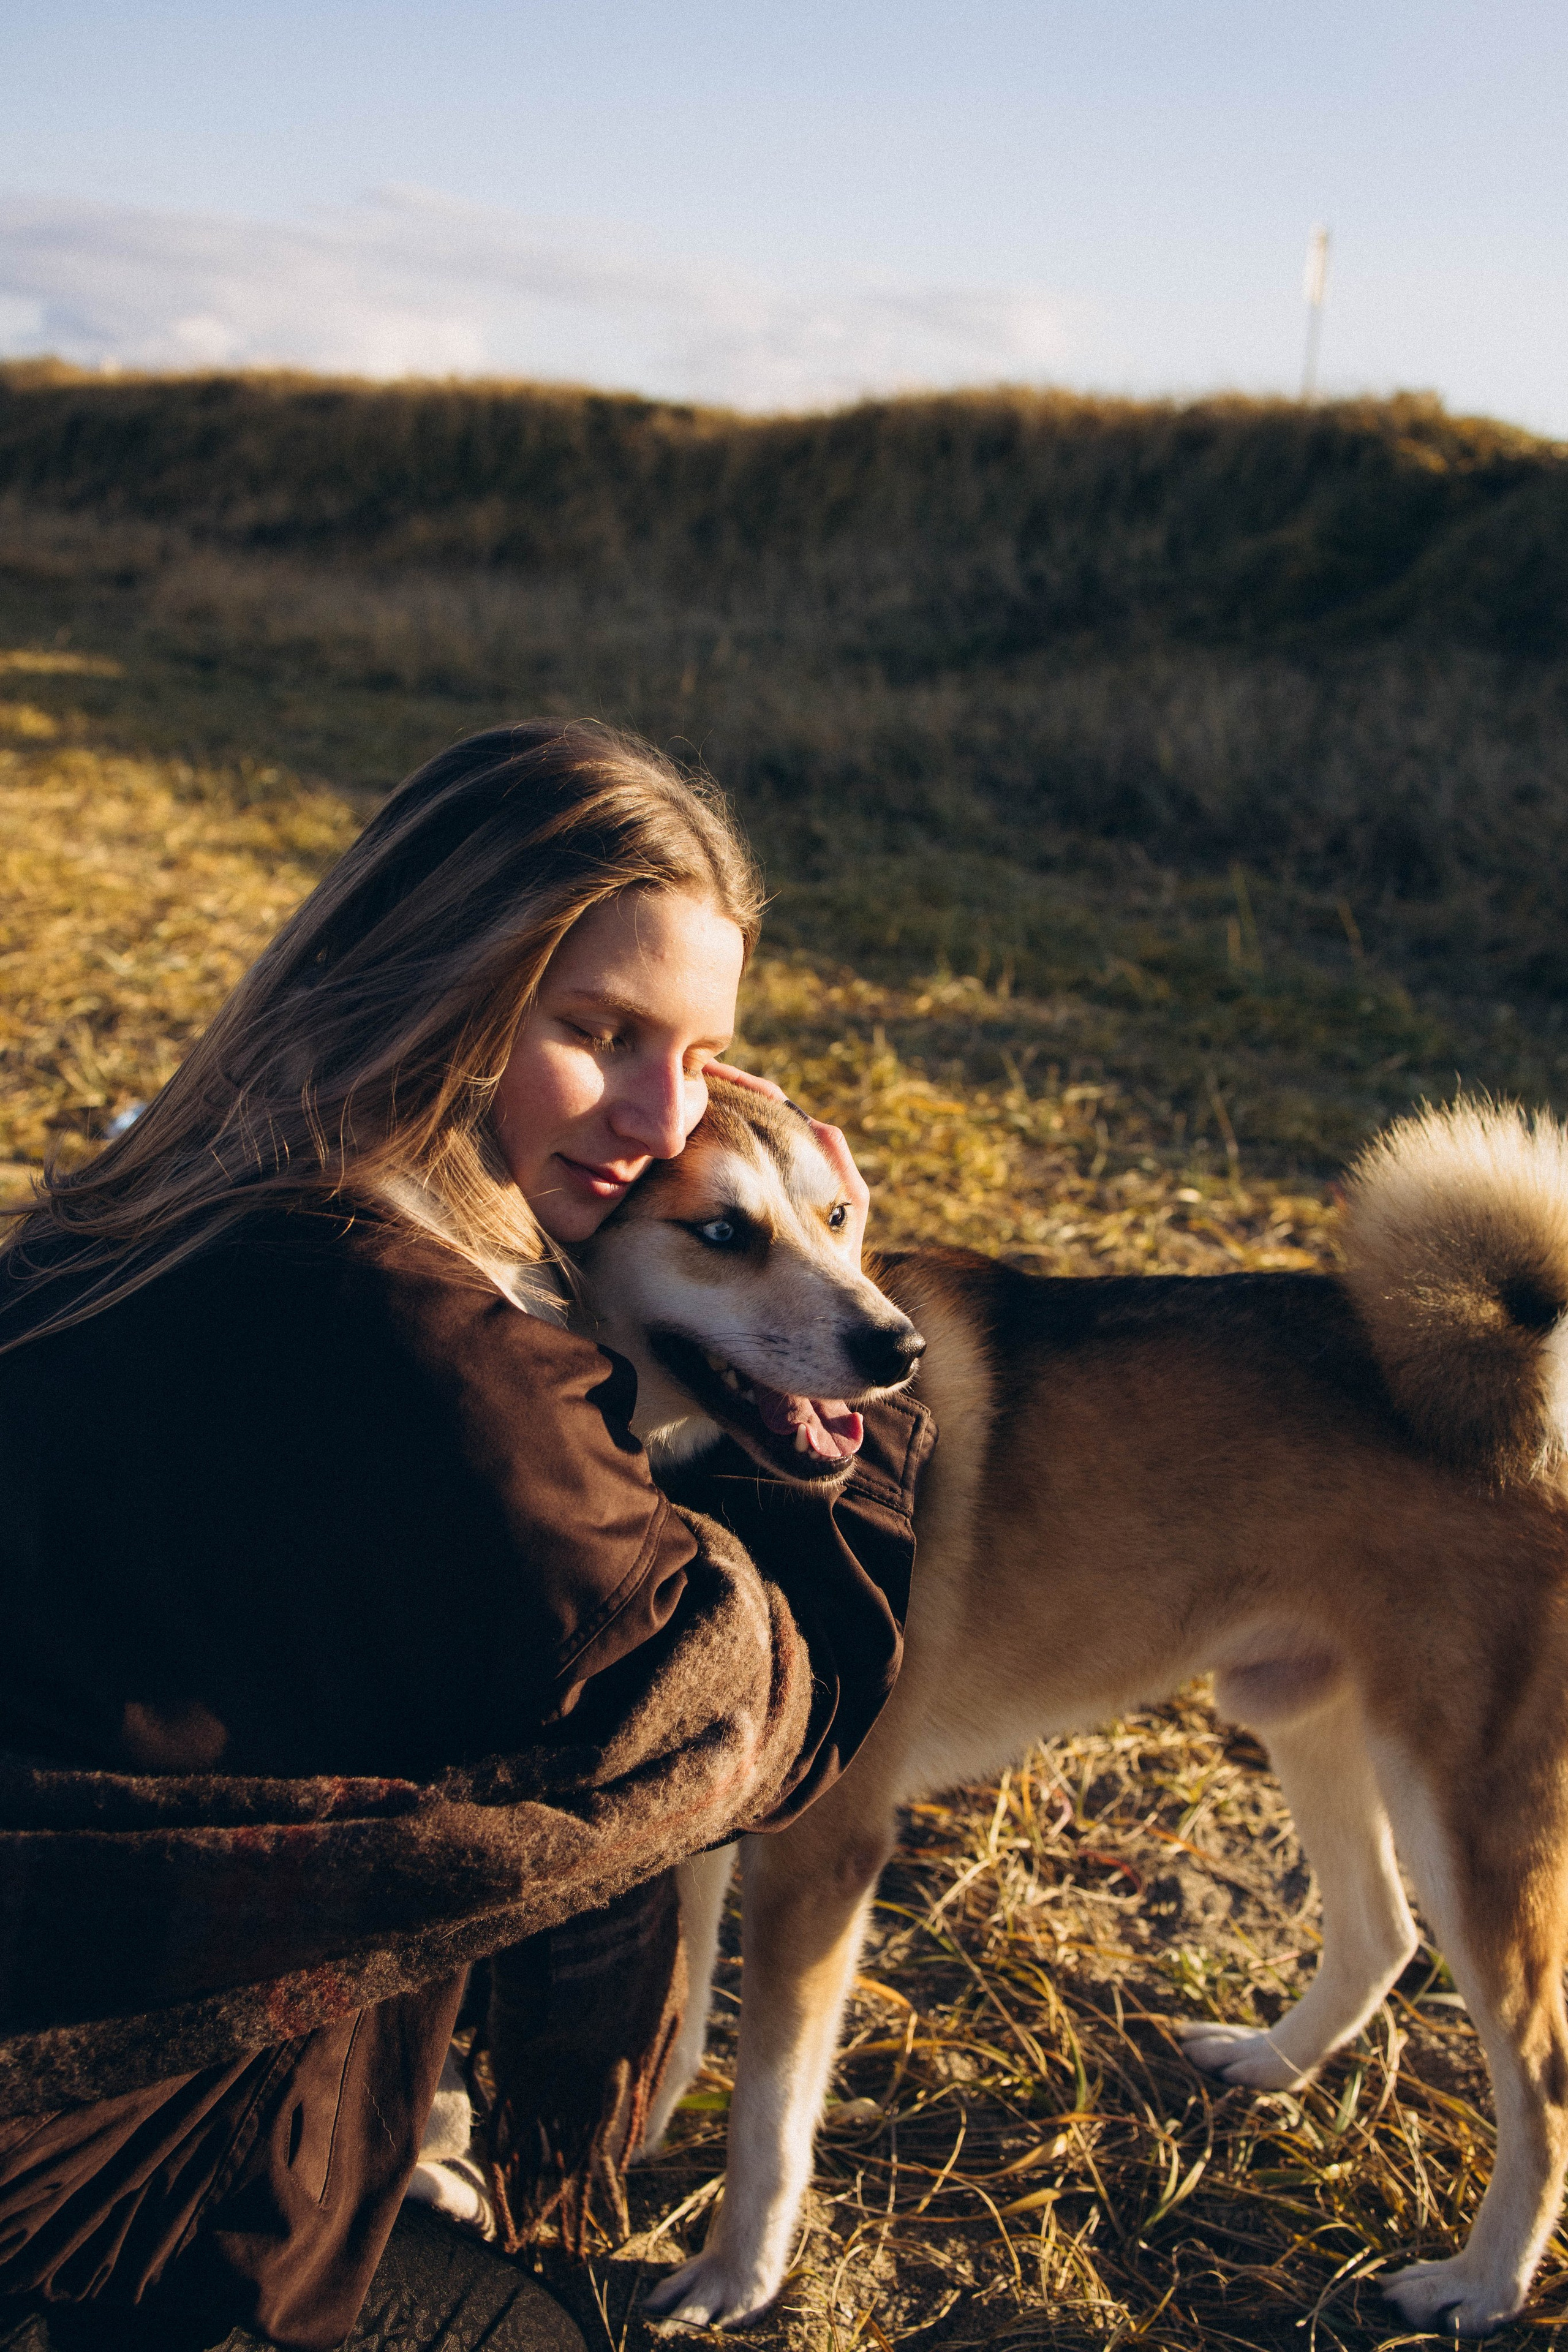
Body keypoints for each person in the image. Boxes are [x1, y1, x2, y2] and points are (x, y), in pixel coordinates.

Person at [0, 723, 932, 2352]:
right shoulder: (452, 1374)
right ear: (444, 984)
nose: (654, 1113)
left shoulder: (158, 1198)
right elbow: (770, 1713)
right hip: (107, 2206)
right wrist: (864, 1365)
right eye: (596, 1029)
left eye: (703, 1057)